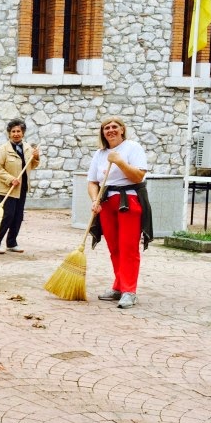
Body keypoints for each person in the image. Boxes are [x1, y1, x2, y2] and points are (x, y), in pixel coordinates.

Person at [87, 116, 153, 309]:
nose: (111, 130)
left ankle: (129, 290)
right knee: (114, 247)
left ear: (122, 129)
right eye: (106, 128)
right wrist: (94, 199)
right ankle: (119, 286)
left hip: (128, 201)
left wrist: (120, 162)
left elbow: (138, 175)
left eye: (115, 126)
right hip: (107, 202)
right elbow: (92, 182)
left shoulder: (133, 148)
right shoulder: (99, 154)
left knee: (128, 247)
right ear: (103, 132)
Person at [0, 119, 41, 253]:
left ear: (23, 133)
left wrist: (36, 157)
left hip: (22, 188)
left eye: (19, 131)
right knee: (8, 215)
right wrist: (10, 179)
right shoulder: (3, 149)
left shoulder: (28, 148)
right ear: (9, 134)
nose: (16, 134)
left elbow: (32, 165)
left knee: (18, 216)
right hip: (8, 188)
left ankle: (12, 243)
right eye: (13, 131)